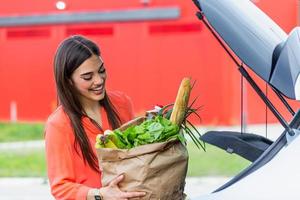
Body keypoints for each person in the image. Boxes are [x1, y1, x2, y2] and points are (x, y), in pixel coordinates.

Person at [45, 35, 146, 200]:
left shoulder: (122, 103)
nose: (99, 80)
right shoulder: (58, 124)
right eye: (87, 77)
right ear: (68, 80)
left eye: (101, 71)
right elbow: (60, 187)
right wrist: (99, 195)